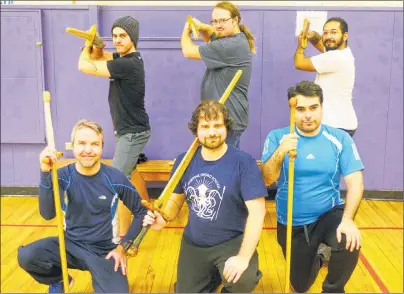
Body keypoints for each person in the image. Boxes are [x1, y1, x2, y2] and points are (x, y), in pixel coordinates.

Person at [143, 101, 268, 293]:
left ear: (226, 127)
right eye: (205, 126)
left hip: (231, 243)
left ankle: (229, 275)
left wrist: (243, 258)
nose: (212, 132)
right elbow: (175, 202)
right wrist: (163, 217)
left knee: (242, 280)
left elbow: (258, 213)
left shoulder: (244, 162)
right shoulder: (184, 161)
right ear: (196, 130)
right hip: (195, 244)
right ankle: (213, 275)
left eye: (217, 125)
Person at [17, 120, 147, 293]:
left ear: (102, 147)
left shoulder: (115, 178)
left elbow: (141, 212)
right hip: (69, 245)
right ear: (73, 146)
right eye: (82, 143)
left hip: (104, 251)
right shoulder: (62, 176)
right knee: (27, 256)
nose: (88, 150)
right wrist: (45, 173)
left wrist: (123, 247)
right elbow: (47, 214)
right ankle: (60, 280)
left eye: (94, 144)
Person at [260, 81, 364, 292]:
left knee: (348, 240)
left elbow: (356, 183)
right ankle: (319, 255)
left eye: (313, 108)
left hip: (329, 214)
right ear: (292, 110)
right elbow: (266, 180)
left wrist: (348, 220)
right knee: (300, 286)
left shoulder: (339, 139)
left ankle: (332, 289)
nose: (308, 115)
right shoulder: (277, 137)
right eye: (300, 109)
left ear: (321, 108)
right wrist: (281, 151)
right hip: (292, 221)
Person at [77, 16, 151, 237]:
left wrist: (86, 45)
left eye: (123, 36)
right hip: (128, 130)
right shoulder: (125, 58)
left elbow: (84, 65)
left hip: (133, 133)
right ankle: (147, 212)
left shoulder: (127, 64)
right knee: (131, 172)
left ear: (133, 38)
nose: (117, 40)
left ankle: (123, 237)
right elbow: (101, 56)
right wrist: (97, 45)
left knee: (116, 182)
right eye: (115, 36)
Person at [181, 1, 255, 148]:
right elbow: (212, 35)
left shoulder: (232, 45)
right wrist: (201, 27)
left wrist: (186, 31)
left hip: (228, 119)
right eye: (215, 21)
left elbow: (188, 51)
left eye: (223, 20)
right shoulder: (228, 39)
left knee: (223, 165)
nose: (218, 25)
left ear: (235, 20)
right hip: (222, 118)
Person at [294, 17, 358, 136]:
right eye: (325, 32)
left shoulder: (336, 57)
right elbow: (323, 45)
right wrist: (313, 36)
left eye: (333, 32)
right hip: (339, 124)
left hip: (336, 125)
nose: (328, 36)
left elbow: (299, 63)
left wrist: (301, 46)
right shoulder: (342, 52)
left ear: (345, 36)